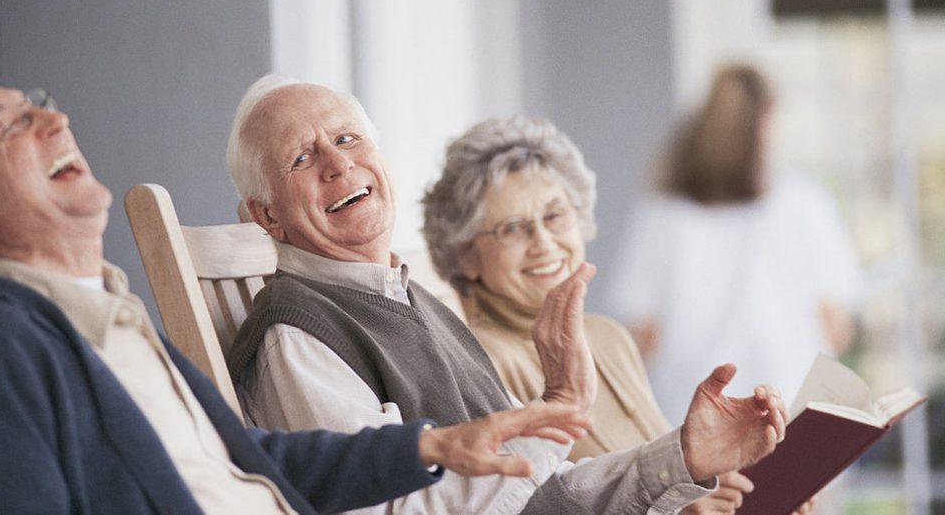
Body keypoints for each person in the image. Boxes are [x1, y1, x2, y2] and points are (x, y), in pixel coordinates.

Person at [0, 82, 597, 513]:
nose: (57, 121)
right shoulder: (4, 339)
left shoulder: (110, 314)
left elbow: (246, 457)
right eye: (8, 124)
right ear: (266, 217)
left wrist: (423, 445)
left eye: (38, 105)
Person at [225, 74, 788, 514]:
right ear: (266, 214)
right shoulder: (296, 334)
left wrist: (684, 459)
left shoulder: (413, 302)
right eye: (303, 157)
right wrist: (555, 412)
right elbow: (395, 509)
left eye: (347, 139)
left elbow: (541, 494)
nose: (339, 163)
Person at [421, 115, 770, 513]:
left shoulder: (608, 336)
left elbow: (671, 466)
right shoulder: (477, 360)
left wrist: (724, 485)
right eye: (514, 228)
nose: (544, 243)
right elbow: (533, 508)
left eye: (554, 217)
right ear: (466, 254)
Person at [609, 63, 862, 425]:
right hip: (792, 414)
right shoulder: (806, 203)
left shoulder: (663, 212)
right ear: (767, 118)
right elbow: (836, 327)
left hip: (691, 424)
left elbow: (643, 339)